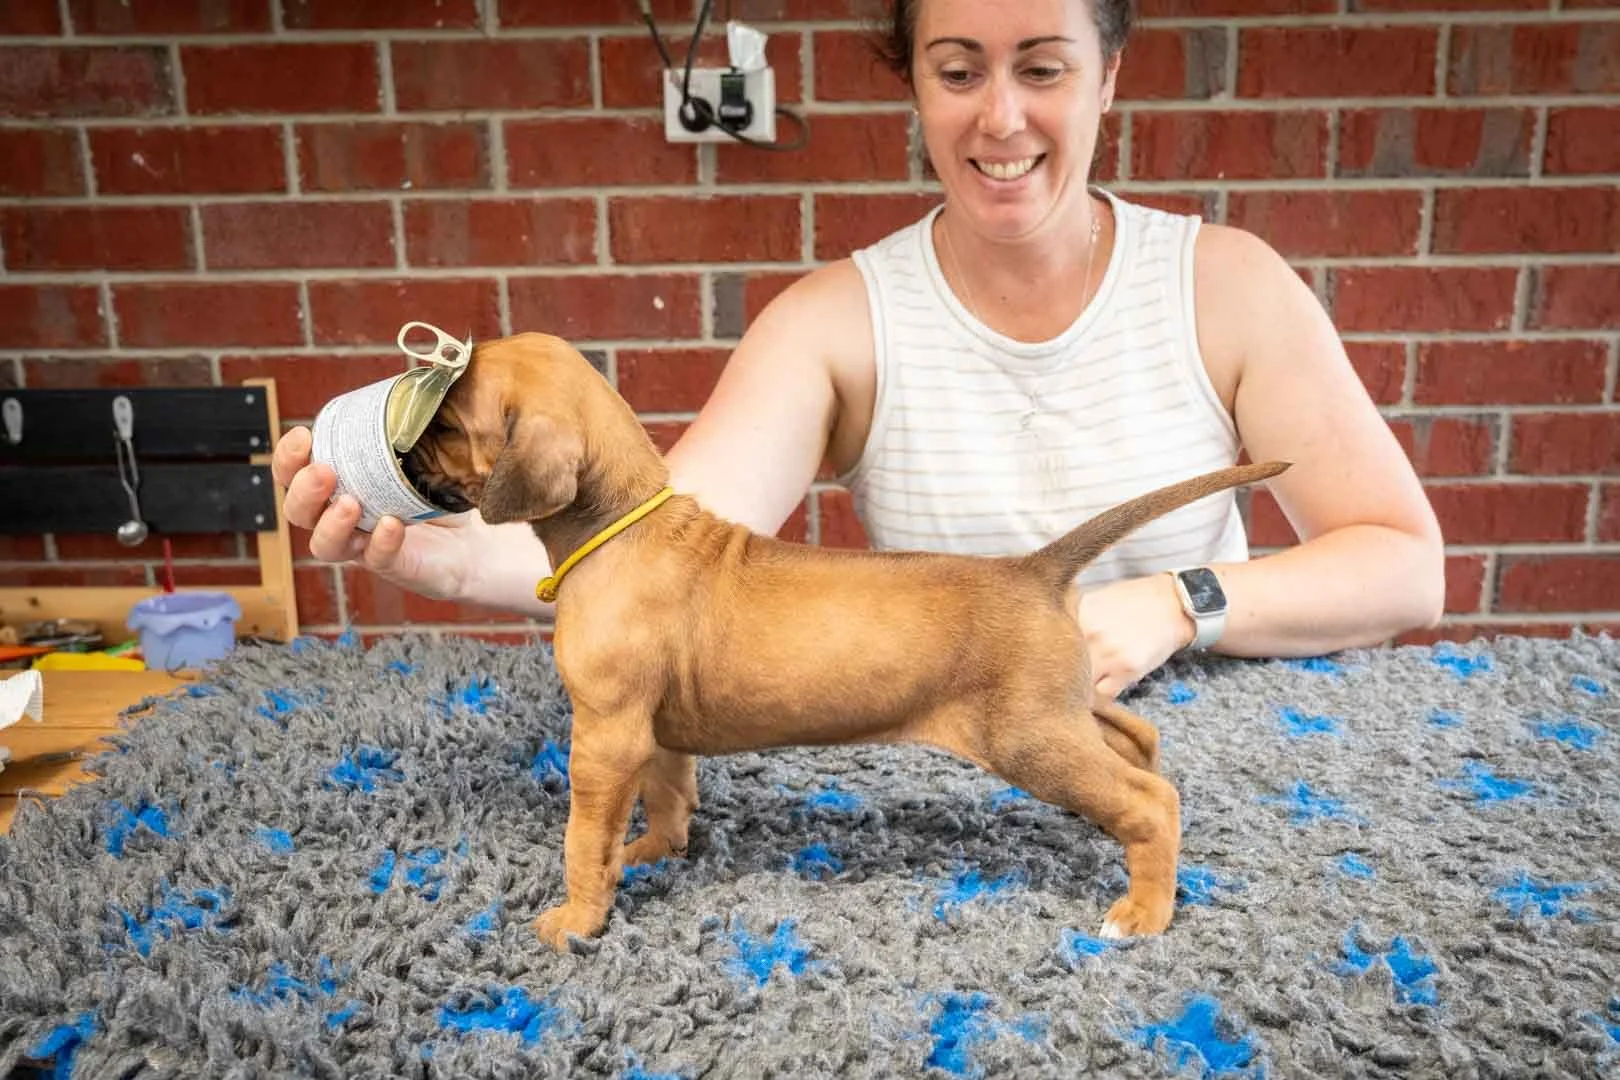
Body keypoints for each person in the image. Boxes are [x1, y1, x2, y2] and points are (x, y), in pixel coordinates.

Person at [271, 0, 1444, 700]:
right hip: (944, 757)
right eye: (958, 71)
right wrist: (431, 549)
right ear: (917, 87)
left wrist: (1178, 604)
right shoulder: (836, 322)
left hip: (1208, 752)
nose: (999, 118)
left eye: (1042, 66)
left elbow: (1403, 565)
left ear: (1108, 76)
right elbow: (649, 541)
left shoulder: (1226, 286)